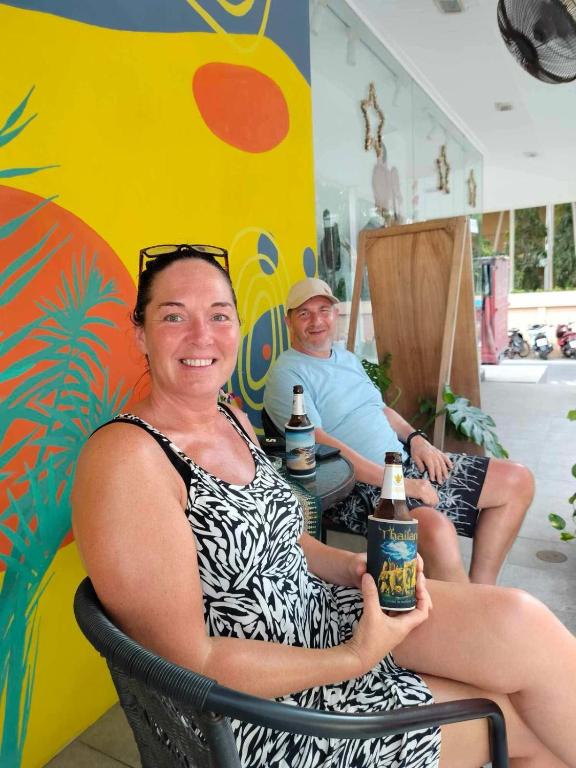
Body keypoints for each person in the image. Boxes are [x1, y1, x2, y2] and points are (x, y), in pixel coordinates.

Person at [72, 246, 576, 768]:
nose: (202, 336)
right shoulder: (125, 460)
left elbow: (286, 541)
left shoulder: (233, 421)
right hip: (259, 713)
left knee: (520, 623)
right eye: (174, 316)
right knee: (519, 724)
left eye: (219, 315)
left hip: (322, 617)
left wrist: (354, 566)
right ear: (141, 333)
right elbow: (190, 663)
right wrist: (355, 656)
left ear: (236, 328)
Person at [263, 278, 534, 586]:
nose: (316, 321)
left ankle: (482, 591)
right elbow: (318, 443)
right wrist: (400, 483)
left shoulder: (346, 358)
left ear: (335, 314)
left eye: (323, 310)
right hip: (357, 486)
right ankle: (469, 609)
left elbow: (380, 409)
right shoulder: (288, 373)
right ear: (288, 321)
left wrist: (417, 440)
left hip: (401, 464)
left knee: (517, 480)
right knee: (436, 531)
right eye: (304, 313)